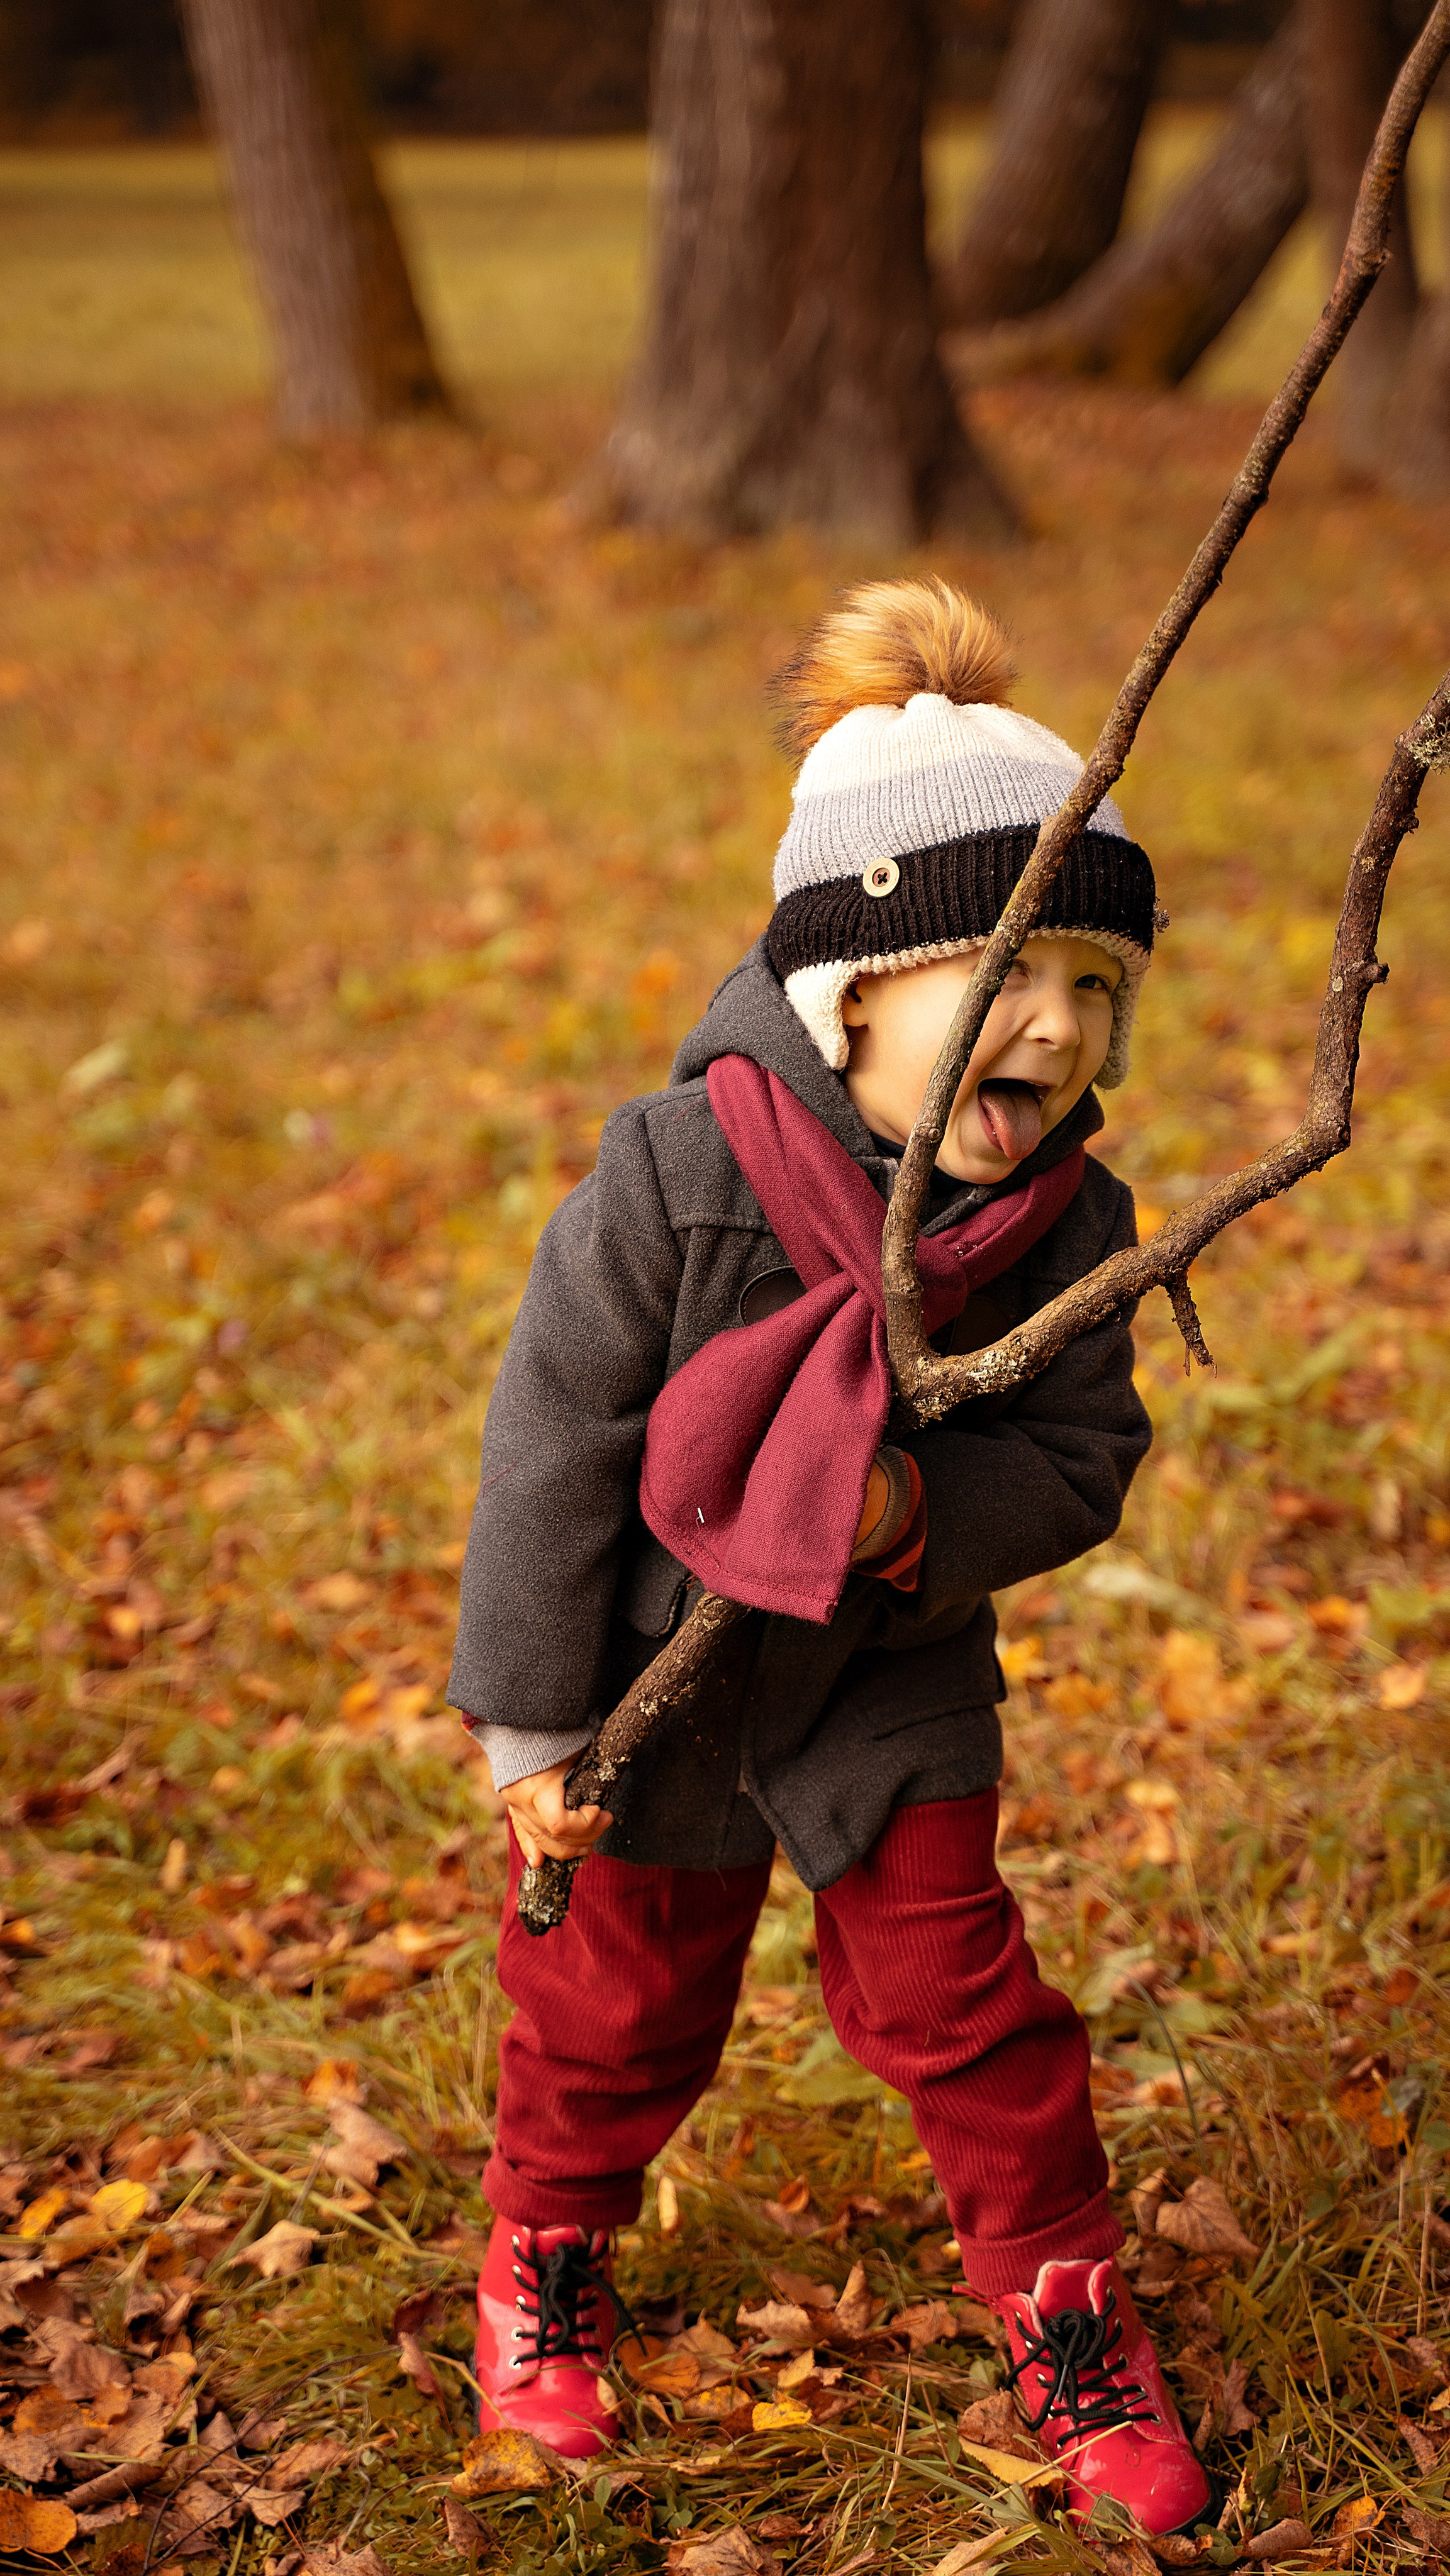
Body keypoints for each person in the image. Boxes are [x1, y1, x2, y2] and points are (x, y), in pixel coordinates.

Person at [448, 579, 1214, 2538]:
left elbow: (1077, 1453)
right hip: (657, 1672)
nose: (1055, 1018)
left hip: (886, 1664)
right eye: (1004, 965)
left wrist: (916, 1522)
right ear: (850, 991)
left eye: (1095, 981)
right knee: (615, 2012)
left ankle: (1065, 2307)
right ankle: (543, 2254)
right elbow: (550, 1449)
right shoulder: (672, 1177)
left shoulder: (1068, 1218)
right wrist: (535, 1723)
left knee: (967, 2006)